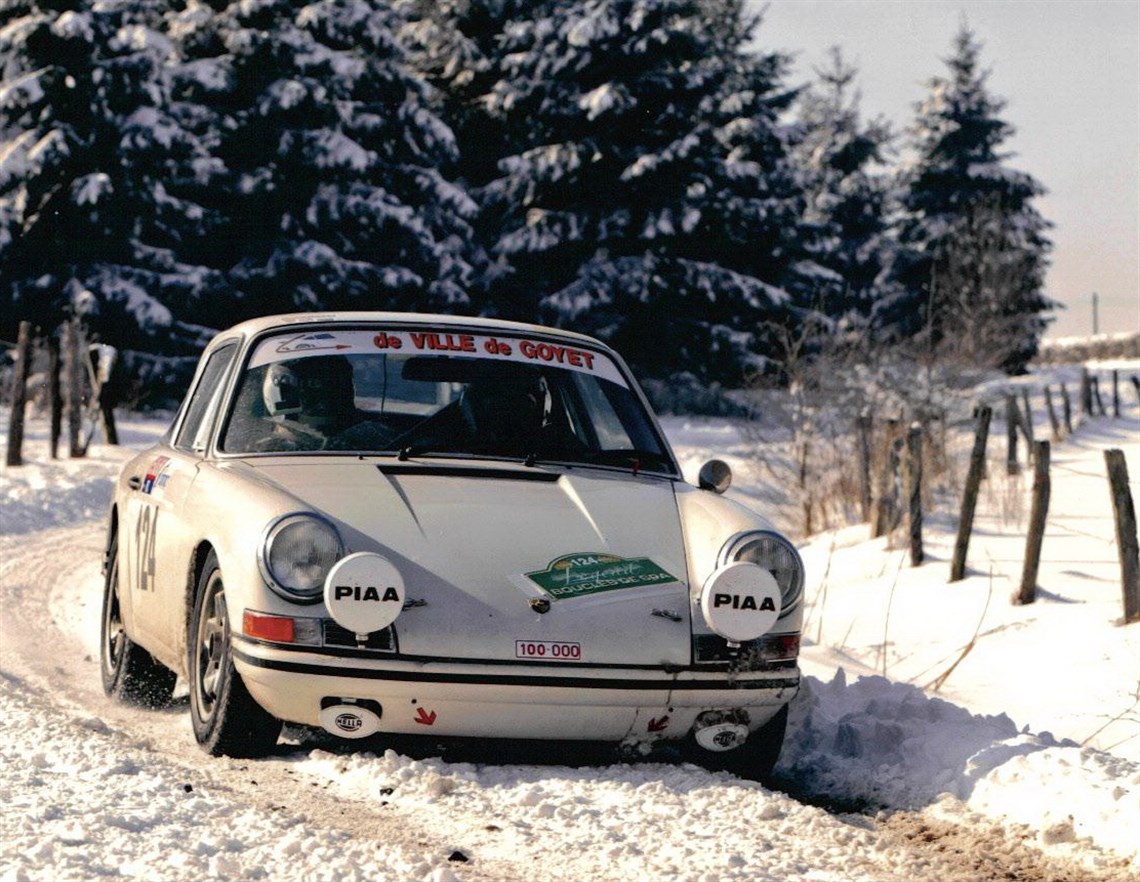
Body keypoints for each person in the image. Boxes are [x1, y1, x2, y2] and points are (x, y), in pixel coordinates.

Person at [256, 355, 390, 451]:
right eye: (315, 384)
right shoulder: (266, 452)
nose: (329, 391)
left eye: (337, 382)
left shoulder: (374, 435)